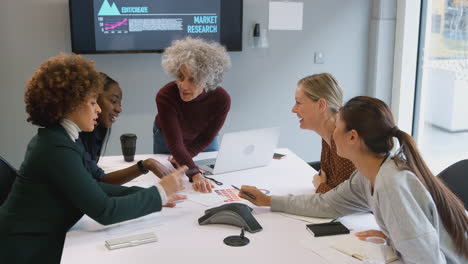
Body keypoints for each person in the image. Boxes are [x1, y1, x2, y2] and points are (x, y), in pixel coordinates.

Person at [0, 54, 187, 263]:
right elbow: (105, 211)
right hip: (26, 251)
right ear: (69, 105)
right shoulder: (56, 148)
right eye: (91, 102)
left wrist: (153, 195)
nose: (98, 108)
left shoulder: (59, 139)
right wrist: (159, 193)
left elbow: (93, 188)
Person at [239, 96, 468, 263]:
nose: (332, 133)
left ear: (352, 137)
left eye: (336, 127)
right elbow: (327, 203)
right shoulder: (370, 173)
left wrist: (398, 242)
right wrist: (269, 201)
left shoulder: (391, 184)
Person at [153, 37, 231, 193]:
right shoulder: (165, 96)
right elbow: (175, 145)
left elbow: (207, 138)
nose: (184, 86)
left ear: (208, 80)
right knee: (170, 180)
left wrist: (184, 161)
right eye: (180, 77)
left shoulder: (222, 99)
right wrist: (194, 173)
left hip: (202, 138)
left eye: (193, 79)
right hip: (167, 138)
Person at [79, 73, 171, 185]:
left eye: (120, 103)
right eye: (113, 101)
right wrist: (157, 194)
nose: (119, 109)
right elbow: (98, 185)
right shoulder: (70, 141)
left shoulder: (93, 133)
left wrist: (145, 165)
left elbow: (98, 179)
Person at [292, 73, 355, 193]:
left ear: (321, 105)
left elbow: (345, 201)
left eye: (298, 102)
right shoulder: (328, 134)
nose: (293, 109)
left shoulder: (343, 141)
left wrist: (320, 185)